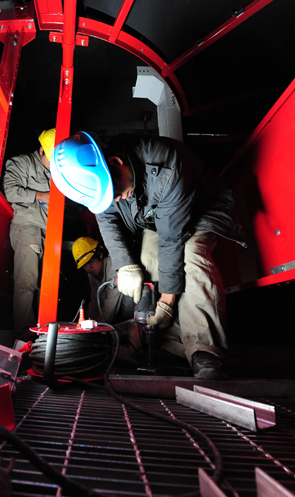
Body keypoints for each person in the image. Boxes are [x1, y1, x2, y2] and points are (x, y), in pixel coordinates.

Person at [50, 131, 246, 379]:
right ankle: (171, 346)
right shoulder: (104, 178)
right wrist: (125, 265)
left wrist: (166, 302)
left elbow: (172, 241)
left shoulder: (167, 164)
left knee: (192, 256)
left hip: (200, 209)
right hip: (156, 217)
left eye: (116, 191)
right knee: (146, 263)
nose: (116, 199)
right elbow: (108, 220)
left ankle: (204, 351)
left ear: (115, 163)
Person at [3, 128, 55, 344]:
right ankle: (24, 336)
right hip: (27, 228)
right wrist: (41, 196)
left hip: (46, 232)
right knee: (26, 282)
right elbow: (10, 191)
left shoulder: (55, 172)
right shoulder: (22, 163)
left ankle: (38, 332)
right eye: (51, 159)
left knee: (42, 284)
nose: (54, 165)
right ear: (41, 149)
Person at [71, 236, 134, 323]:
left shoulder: (115, 267)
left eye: (91, 261)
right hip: (110, 312)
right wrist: (90, 322)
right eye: (84, 265)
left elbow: (111, 303)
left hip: (126, 314)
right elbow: (94, 300)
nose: (88, 268)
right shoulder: (93, 275)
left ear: (100, 255)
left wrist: (97, 325)